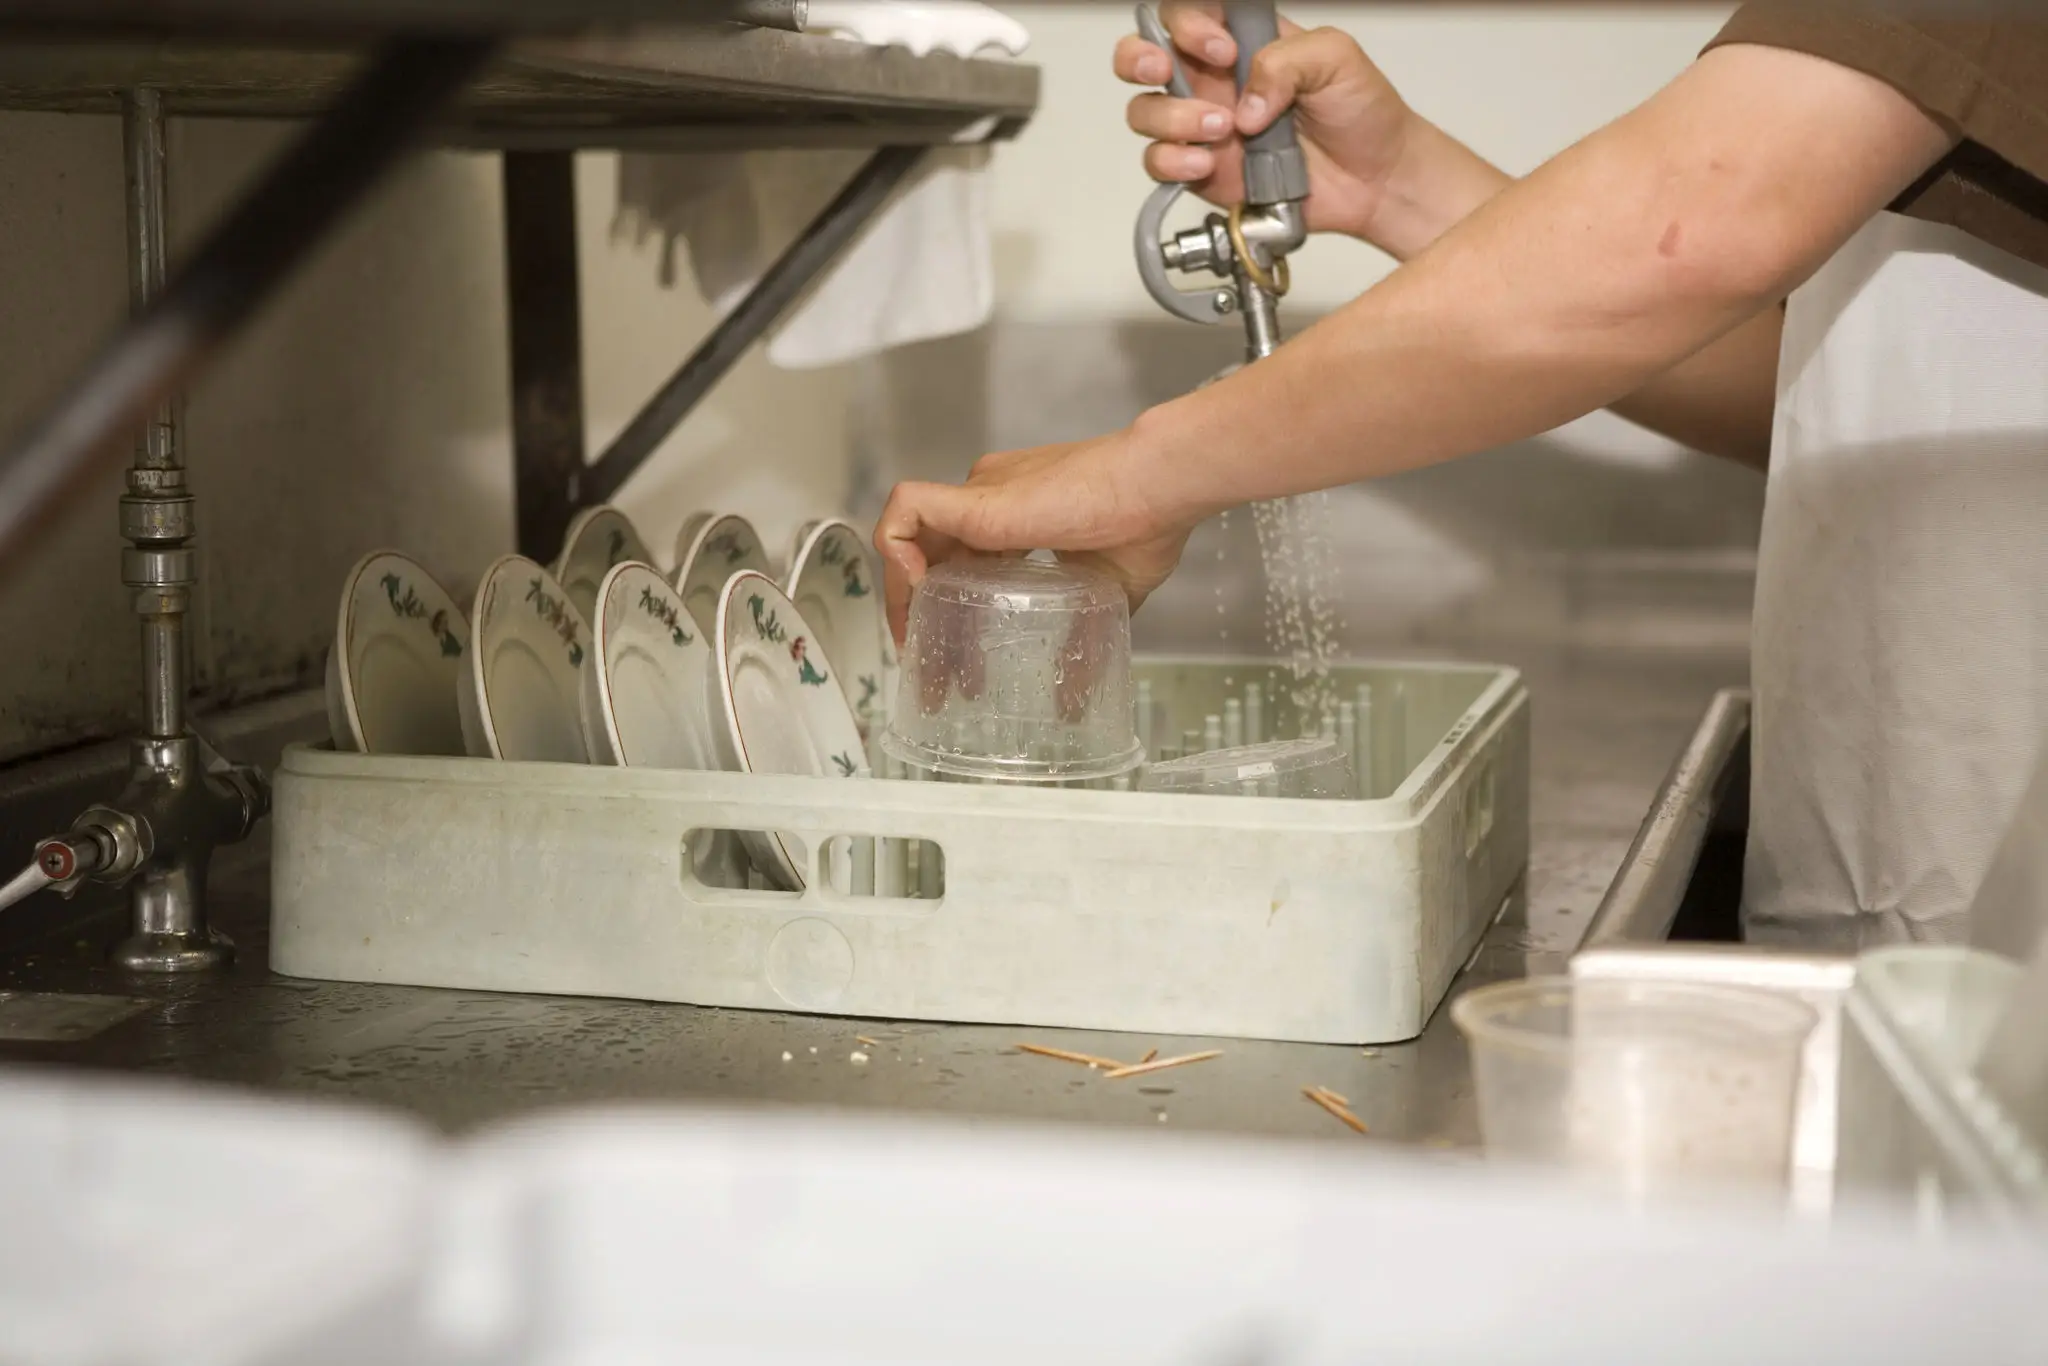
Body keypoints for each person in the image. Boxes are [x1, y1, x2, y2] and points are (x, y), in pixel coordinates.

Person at [874, 2, 2048, 949]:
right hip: (1933, 863)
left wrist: (1146, 470)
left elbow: (1684, 233)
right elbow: (1785, 385)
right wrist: (1398, 186)